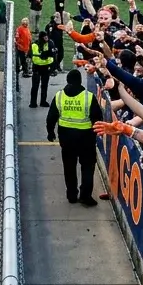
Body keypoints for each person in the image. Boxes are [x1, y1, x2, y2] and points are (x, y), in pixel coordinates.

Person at [46, 68, 103, 205]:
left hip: (66, 139)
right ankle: (85, 196)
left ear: (67, 81)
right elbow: (98, 118)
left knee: (69, 167)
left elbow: (51, 117)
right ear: (80, 81)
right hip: (86, 139)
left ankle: (71, 195)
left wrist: (50, 132)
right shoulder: (88, 97)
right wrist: (97, 134)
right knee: (88, 167)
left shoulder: (59, 96)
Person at [28, 30, 55, 108]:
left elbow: (53, 55)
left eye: (47, 36)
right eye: (45, 37)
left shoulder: (50, 43)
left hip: (46, 67)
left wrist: (53, 67)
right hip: (37, 67)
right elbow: (30, 55)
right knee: (35, 86)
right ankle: (33, 103)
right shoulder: (34, 45)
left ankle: (43, 101)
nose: (46, 38)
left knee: (44, 85)